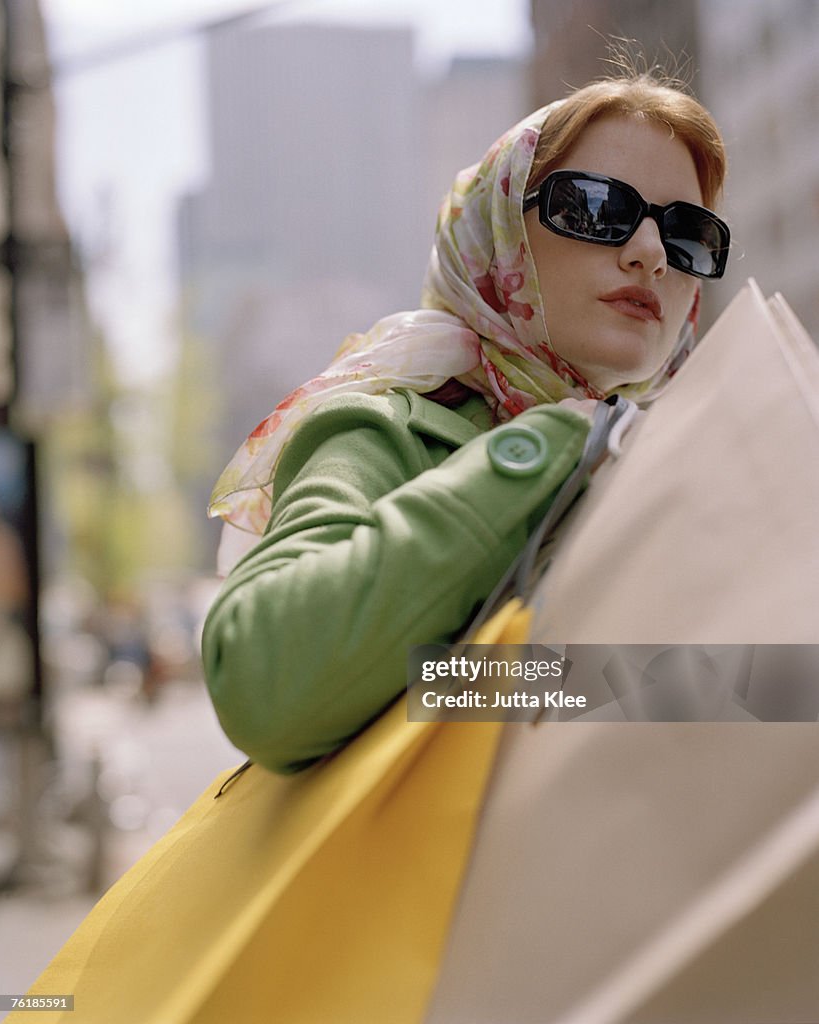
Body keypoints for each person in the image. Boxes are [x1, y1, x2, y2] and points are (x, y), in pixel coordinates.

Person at [201, 69, 730, 776]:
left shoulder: (684, 468)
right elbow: (259, 683)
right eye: (596, 208)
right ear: (500, 226)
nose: (650, 253)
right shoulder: (384, 429)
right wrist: (554, 444)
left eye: (686, 233)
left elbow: (733, 696)